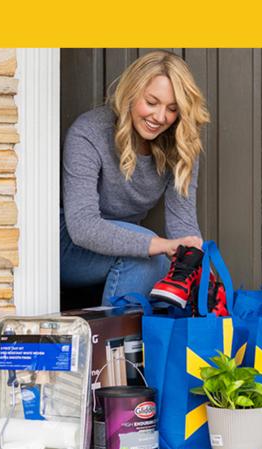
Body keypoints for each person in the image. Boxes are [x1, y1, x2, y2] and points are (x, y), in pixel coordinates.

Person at [61, 51, 210, 307]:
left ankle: (151, 344)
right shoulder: (89, 132)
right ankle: (116, 344)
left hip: (128, 247)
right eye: (152, 102)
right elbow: (83, 227)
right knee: (150, 258)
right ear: (131, 92)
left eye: (172, 109)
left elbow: (183, 227)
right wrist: (161, 245)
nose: (160, 117)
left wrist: (195, 263)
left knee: (168, 273)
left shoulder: (180, 144)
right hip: (69, 247)